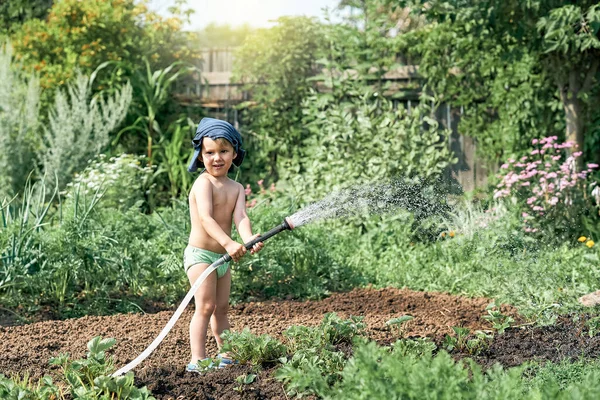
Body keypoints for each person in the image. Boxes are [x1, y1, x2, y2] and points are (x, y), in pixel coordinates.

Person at [184, 117, 263, 373]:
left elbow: (240, 217)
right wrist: (229, 243)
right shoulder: (203, 183)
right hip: (201, 256)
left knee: (222, 308)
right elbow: (206, 219)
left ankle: (226, 354)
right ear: (200, 155)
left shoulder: (237, 187)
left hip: (223, 260)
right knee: (205, 307)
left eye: (223, 151)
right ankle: (198, 358)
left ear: (234, 154)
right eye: (210, 152)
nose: (216, 158)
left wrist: (248, 239)